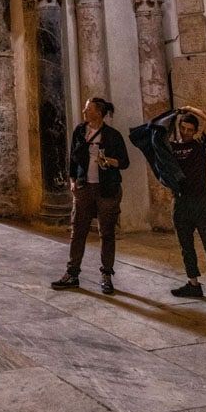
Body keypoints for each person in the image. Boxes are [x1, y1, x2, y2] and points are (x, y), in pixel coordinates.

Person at [51, 97, 130, 295]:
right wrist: (71, 181)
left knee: (107, 232)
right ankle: (72, 273)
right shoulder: (80, 131)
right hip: (84, 187)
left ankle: (106, 275)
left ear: (98, 113)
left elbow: (125, 162)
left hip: (107, 189)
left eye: (88, 109)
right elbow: (72, 157)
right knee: (78, 231)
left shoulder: (113, 136)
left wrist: (110, 161)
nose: (85, 112)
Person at [168, 106, 206, 308]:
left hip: (202, 202)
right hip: (181, 202)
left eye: (191, 130)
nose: (187, 133)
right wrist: (174, 115)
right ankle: (193, 283)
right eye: (184, 129)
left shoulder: (200, 145)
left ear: (195, 131)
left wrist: (189, 109)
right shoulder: (171, 147)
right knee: (186, 246)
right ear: (179, 127)